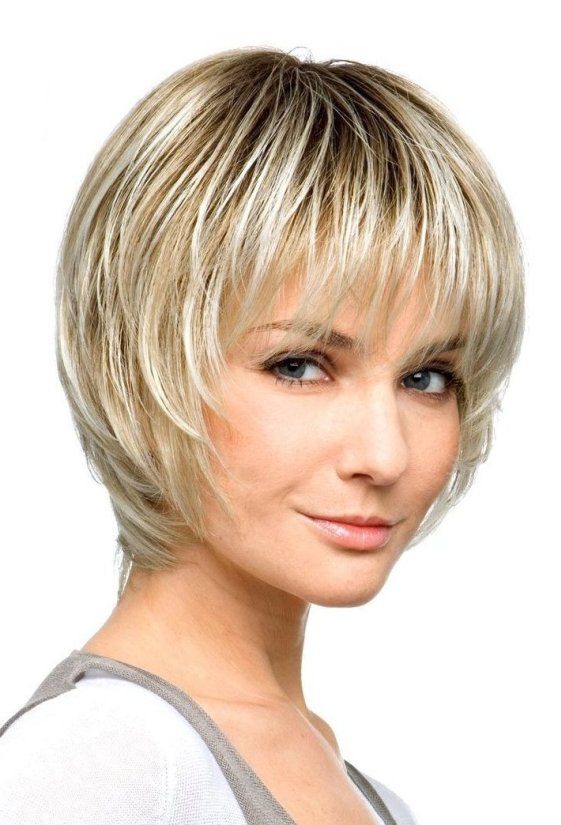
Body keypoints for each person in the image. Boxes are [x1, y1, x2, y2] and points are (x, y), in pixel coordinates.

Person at [0, 46, 525, 824]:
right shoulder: (105, 763)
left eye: (426, 376)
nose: (385, 454)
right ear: (140, 369)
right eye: (301, 366)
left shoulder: (372, 797)